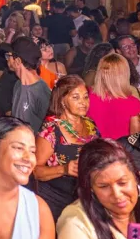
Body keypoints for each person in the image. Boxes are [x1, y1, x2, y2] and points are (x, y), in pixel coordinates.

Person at [56, 139, 140, 239]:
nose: (117, 194)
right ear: (91, 188)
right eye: (104, 186)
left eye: (122, 183)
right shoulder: (76, 222)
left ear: (136, 177)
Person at [34, 75, 100, 221]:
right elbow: (35, 171)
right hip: (55, 201)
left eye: (85, 97)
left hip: (84, 199)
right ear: (63, 101)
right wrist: (64, 169)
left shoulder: (91, 125)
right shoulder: (51, 130)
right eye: (76, 97)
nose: (83, 102)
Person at [88, 53, 140, 139]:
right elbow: (135, 139)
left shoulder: (87, 97)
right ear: (125, 74)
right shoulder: (133, 103)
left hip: (92, 146)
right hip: (121, 147)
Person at [4, 37, 51, 131]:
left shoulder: (40, 91)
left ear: (18, 61)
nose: (7, 60)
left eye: (9, 56)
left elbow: (49, 126)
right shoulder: (18, 84)